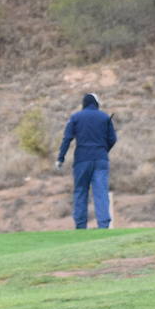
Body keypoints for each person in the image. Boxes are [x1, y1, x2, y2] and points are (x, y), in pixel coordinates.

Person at [56, 93, 117, 229]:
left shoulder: (76, 117)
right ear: (96, 103)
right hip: (101, 160)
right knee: (101, 192)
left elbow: (67, 138)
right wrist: (103, 150)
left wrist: (61, 158)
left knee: (80, 191)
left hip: (81, 160)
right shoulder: (104, 117)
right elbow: (113, 139)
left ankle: (80, 226)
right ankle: (103, 225)